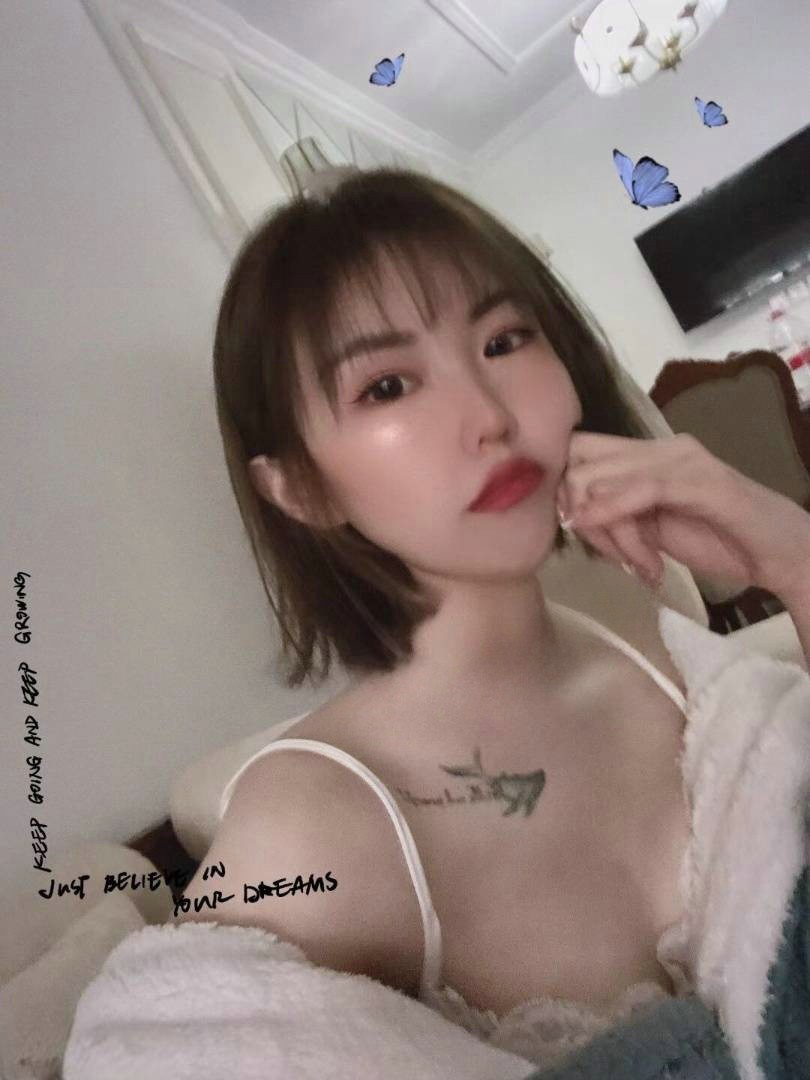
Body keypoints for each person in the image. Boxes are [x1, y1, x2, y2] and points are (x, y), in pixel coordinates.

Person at [173, 167, 810, 1065]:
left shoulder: (668, 668)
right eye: (387, 387)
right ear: (302, 488)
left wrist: (790, 555)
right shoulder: (310, 825)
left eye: (505, 340)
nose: (487, 414)